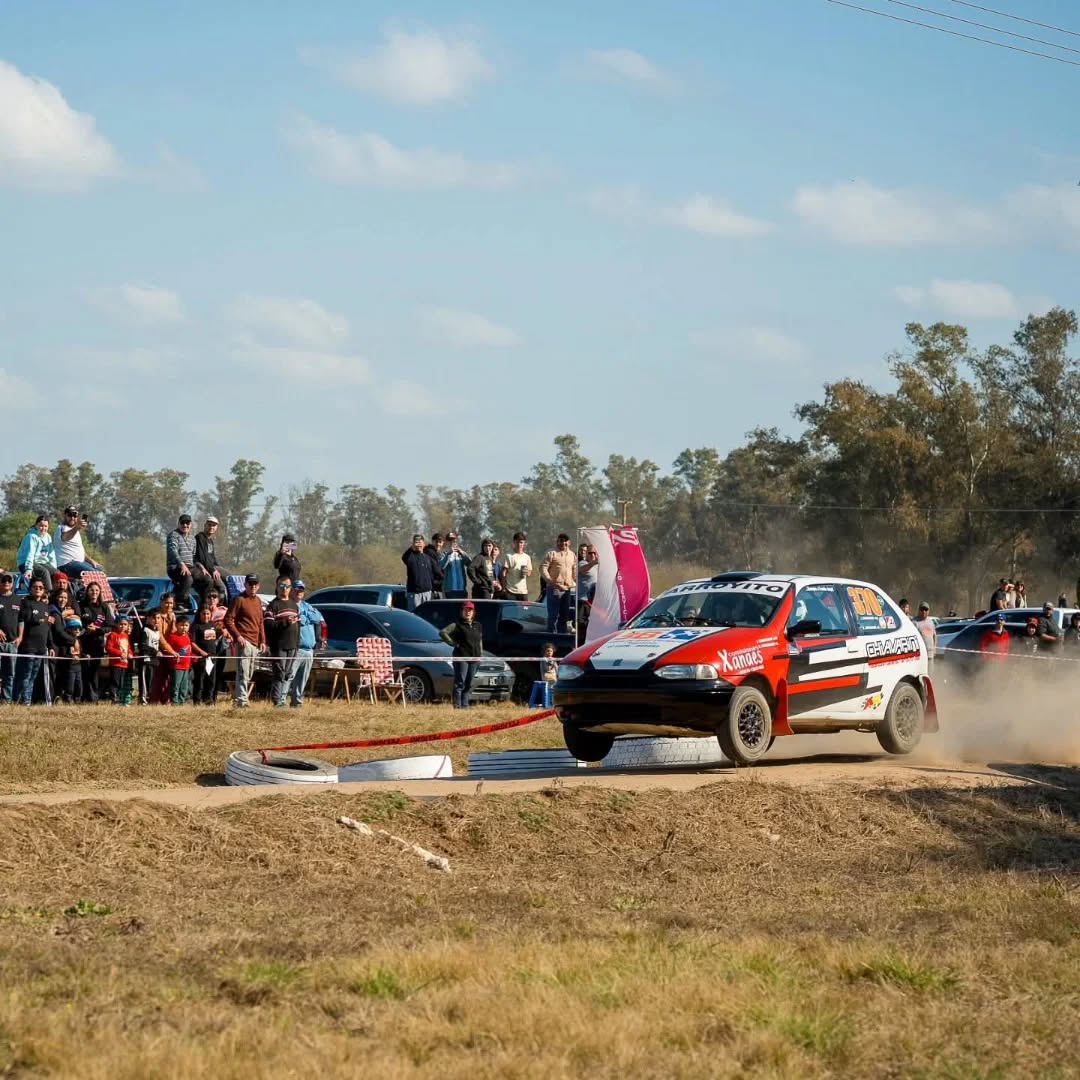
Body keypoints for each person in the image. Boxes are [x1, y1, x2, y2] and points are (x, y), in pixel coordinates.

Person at [225, 573, 267, 708]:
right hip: (244, 641)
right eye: (250, 584)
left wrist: (262, 640)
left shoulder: (258, 601)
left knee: (249, 672)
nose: (253, 586)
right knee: (243, 672)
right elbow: (228, 619)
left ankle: (242, 698)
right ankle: (241, 701)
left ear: (258, 586)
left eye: (255, 584)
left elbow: (260, 622)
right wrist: (238, 636)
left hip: (255, 643)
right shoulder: (239, 599)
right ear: (245, 585)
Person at [14, 579, 53, 705]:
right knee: (26, 674)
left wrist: (50, 645)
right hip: (29, 645)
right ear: (30, 589)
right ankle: (23, 701)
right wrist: (42, 619)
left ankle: (27, 700)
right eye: (35, 587)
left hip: (41, 646)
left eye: (41, 587)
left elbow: (47, 628)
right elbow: (26, 618)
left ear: (44, 590)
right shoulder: (25, 602)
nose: (38, 589)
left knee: (34, 675)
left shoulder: (45, 605)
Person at [264, 575, 300, 707]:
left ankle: (283, 699)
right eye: (282, 586)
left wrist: (297, 644)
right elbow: (268, 625)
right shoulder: (273, 605)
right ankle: (277, 701)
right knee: (279, 673)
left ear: (291, 588)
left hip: (293, 645)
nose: (284, 589)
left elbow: (298, 626)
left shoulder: (294, 605)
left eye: (287, 586)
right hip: (279, 645)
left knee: (288, 674)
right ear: (277, 587)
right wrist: (285, 622)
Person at [439, 600, 483, 709]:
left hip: (475, 658)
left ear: (473, 612)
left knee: (469, 683)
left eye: (470, 610)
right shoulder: (457, 625)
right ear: (462, 611)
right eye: (465, 610)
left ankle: (465, 705)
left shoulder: (478, 625)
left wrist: (480, 654)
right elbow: (443, 632)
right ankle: (457, 706)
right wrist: (453, 643)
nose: (468, 612)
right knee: (460, 683)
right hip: (461, 657)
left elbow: (480, 640)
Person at [290, 580, 325, 708]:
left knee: (303, 678)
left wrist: (304, 616)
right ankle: (280, 701)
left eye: (301, 590)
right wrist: (306, 617)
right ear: (291, 591)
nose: (299, 592)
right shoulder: (289, 605)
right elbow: (298, 620)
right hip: (296, 649)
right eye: (297, 589)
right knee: (289, 676)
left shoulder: (307, 605)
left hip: (309, 649)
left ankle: (297, 702)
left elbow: (317, 618)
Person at [79, 579, 113, 703]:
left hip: (97, 643)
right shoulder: (81, 606)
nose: (94, 592)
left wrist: (97, 630)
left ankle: (93, 698)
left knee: (94, 671)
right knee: (84, 670)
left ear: (100, 592)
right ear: (87, 591)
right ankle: (84, 696)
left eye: (97, 590)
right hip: (84, 643)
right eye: (91, 590)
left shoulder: (104, 607)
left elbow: (110, 626)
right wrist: (85, 629)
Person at [54, 506, 104, 581]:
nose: (72, 518)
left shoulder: (75, 531)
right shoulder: (61, 528)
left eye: (75, 515)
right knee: (96, 575)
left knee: (100, 570)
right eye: (70, 515)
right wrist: (77, 527)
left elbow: (80, 551)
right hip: (67, 564)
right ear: (65, 516)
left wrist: (91, 561)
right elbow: (65, 537)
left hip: (79, 563)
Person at [540, 533, 576, 633]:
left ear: (569, 542)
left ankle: (561, 636)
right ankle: (551, 637)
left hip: (567, 589)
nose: (563, 543)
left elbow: (574, 569)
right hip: (554, 588)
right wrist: (550, 581)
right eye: (561, 541)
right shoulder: (552, 554)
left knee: (564, 615)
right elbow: (543, 567)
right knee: (553, 615)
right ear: (557, 542)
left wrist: (575, 581)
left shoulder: (572, 555)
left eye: (565, 541)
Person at [16, 515, 57, 593]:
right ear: (36, 525)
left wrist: (53, 568)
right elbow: (30, 554)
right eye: (41, 526)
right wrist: (28, 569)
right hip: (26, 563)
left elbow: (52, 555)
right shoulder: (31, 536)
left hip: (41, 563)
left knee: (57, 573)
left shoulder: (48, 537)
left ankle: (58, 594)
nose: (43, 528)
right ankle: (49, 594)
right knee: (44, 572)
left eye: (45, 526)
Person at [190, 604, 221, 705]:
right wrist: (201, 652)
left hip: (212, 657)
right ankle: (197, 701)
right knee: (200, 680)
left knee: (211, 680)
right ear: (199, 614)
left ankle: (208, 700)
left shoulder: (212, 625)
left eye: (208, 613)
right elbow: (192, 642)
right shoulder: (195, 626)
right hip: (201, 658)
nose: (206, 616)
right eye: (203, 614)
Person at [192, 516, 226, 606]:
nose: (211, 527)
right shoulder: (200, 537)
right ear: (205, 525)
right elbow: (202, 558)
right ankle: (220, 606)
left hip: (212, 567)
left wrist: (217, 568)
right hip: (203, 568)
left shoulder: (210, 540)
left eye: (213, 525)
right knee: (222, 586)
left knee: (228, 579)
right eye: (209, 525)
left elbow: (212, 558)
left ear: (216, 528)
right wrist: (213, 570)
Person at [165, 514, 197, 609]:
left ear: (191, 525)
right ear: (178, 524)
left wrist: (201, 567)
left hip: (190, 567)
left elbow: (194, 556)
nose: (185, 525)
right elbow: (173, 551)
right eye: (182, 523)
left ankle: (206, 603)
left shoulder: (192, 539)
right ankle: (180, 603)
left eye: (187, 523)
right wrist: (182, 564)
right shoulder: (173, 535)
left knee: (207, 579)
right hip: (175, 567)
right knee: (188, 579)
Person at [402, 534, 439, 611]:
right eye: (416, 542)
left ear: (424, 544)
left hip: (428, 593)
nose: (418, 544)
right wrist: (411, 548)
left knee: (427, 614)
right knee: (414, 615)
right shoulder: (411, 556)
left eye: (420, 542)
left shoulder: (427, 557)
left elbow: (434, 572)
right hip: (415, 594)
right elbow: (404, 557)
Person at [104, 615, 134, 706]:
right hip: (115, 663)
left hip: (124, 663)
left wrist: (130, 653)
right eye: (121, 624)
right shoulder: (113, 635)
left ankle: (119, 697)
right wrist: (120, 653)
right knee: (115, 681)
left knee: (121, 682)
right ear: (116, 624)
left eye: (125, 624)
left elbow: (128, 647)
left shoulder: (125, 635)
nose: (123, 626)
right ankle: (113, 698)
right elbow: (108, 648)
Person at [0, 571, 20, 703]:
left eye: (9, 580)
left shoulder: (18, 600)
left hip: (13, 643)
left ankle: (6, 701)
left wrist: (20, 637)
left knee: (10, 674)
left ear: (12, 583)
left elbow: (21, 620)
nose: (6, 582)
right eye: (3, 580)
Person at [167, 614, 194, 705]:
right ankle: (174, 702)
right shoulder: (172, 637)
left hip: (186, 665)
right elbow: (168, 650)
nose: (184, 628)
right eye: (181, 625)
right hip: (176, 666)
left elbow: (189, 649)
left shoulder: (187, 636)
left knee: (184, 685)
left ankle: (181, 701)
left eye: (186, 625)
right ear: (176, 625)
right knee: (176, 684)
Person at [137, 609, 161, 706]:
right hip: (146, 660)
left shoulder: (157, 631)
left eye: (158, 618)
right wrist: (155, 652)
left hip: (154, 661)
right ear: (148, 619)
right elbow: (143, 646)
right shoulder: (145, 630)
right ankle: (143, 700)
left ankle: (150, 698)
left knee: (152, 681)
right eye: (154, 618)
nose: (156, 620)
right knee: (145, 681)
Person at [577, 543, 600, 645]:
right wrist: (593, 563)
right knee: (581, 624)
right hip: (583, 600)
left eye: (595, 553)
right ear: (586, 554)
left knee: (592, 625)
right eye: (590, 553)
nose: (593, 555)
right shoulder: (583, 563)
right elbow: (582, 570)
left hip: (594, 602)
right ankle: (580, 645)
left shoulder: (598, 566)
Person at [500, 532, 532, 603]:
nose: (519, 544)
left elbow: (529, 573)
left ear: (524, 543)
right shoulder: (509, 556)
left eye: (521, 542)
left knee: (525, 610)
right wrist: (504, 588)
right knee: (511, 610)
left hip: (523, 591)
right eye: (517, 542)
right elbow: (504, 573)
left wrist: (527, 572)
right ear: (514, 542)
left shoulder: (527, 557)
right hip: (510, 591)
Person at [438, 533, 470, 599]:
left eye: (454, 541)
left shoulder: (461, 553)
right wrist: (449, 553)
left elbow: (470, 564)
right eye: (450, 540)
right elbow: (441, 567)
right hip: (449, 590)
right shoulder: (443, 554)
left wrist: (462, 553)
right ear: (446, 542)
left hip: (462, 589)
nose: (452, 542)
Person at [423, 534, 446, 598]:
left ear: (443, 543)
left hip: (435, 585)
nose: (438, 544)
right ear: (432, 541)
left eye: (440, 542)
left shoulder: (437, 553)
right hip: (432, 586)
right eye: (436, 542)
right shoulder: (429, 551)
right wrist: (445, 578)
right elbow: (435, 568)